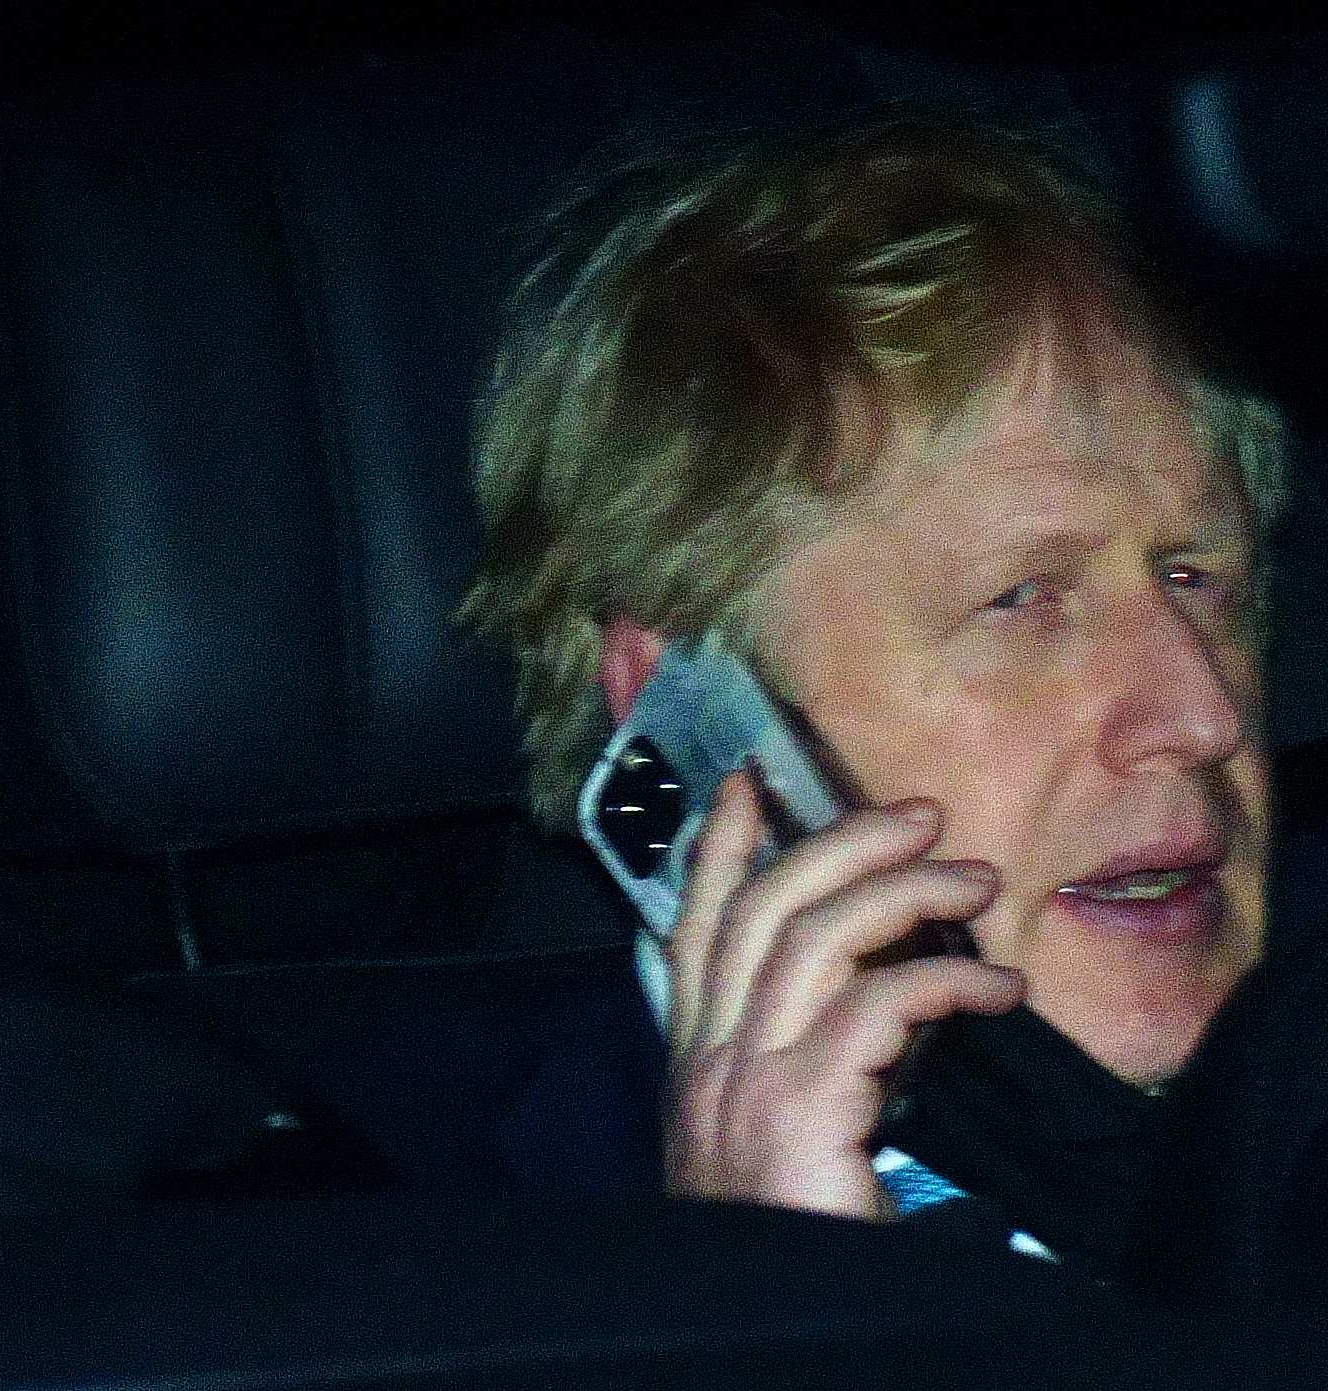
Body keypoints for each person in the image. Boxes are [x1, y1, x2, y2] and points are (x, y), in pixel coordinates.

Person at [459, 116, 1283, 1263]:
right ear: (695, 720)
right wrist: (771, 1302)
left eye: (1196, 579)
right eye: (1021, 597)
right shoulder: (412, 1257)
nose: (1198, 717)